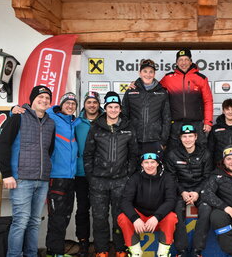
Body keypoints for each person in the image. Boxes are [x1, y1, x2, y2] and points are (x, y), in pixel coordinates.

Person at [11, 91, 81, 257]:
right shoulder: (51, 117)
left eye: (73, 104)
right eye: (67, 103)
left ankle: (57, 251)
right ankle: (54, 252)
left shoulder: (75, 122)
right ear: (60, 105)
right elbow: (32, 112)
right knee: (56, 217)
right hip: (55, 176)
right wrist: (13, 109)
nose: (70, 106)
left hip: (71, 177)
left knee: (65, 216)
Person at [0, 85, 55, 257]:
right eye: (40, 97)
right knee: (20, 222)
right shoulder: (19, 117)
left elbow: (49, 150)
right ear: (32, 99)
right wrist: (7, 174)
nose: (44, 101)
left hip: (42, 180)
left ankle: (31, 254)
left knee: (34, 222)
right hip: (21, 179)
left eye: (47, 98)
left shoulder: (50, 122)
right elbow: (2, 145)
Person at [84, 91, 138, 257]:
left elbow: (134, 155)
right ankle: (101, 250)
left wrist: (128, 175)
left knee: (119, 217)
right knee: (99, 218)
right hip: (98, 182)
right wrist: (91, 177)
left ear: (120, 109)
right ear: (105, 108)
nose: (113, 110)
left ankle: (121, 248)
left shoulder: (128, 128)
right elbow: (88, 154)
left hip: (120, 181)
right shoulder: (95, 127)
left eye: (116, 107)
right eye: (110, 107)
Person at [164, 124, 213, 257]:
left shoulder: (205, 153)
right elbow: (171, 178)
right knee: (176, 209)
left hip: (200, 190)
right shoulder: (172, 154)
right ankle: (182, 250)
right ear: (180, 138)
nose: (188, 139)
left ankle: (197, 250)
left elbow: (208, 177)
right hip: (180, 190)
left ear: (196, 137)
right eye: (184, 136)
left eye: (190, 136)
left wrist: (197, 192)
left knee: (206, 209)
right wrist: (182, 192)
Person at [117, 149, 177, 257]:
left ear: (157, 163)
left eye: (152, 162)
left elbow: (171, 200)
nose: (150, 165)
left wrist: (156, 217)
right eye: (146, 162)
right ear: (142, 164)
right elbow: (125, 201)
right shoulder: (135, 178)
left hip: (158, 218)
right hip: (140, 218)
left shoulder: (167, 178)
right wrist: (135, 218)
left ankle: (163, 253)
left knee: (171, 217)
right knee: (123, 218)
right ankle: (135, 252)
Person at [160, 49, 213, 148]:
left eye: (186, 59)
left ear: (191, 61)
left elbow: (208, 101)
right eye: (180, 60)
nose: (183, 63)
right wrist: (136, 84)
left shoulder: (201, 78)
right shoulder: (168, 78)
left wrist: (208, 121)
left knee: (200, 150)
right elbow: (153, 88)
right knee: (174, 152)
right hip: (175, 123)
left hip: (196, 123)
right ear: (176, 62)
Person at [75, 91, 103, 257]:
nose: (92, 105)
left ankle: (103, 245)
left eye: (94, 102)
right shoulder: (76, 122)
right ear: (84, 104)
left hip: (102, 174)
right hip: (81, 173)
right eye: (89, 102)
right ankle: (83, 244)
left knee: (101, 212)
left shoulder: (106, 120)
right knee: (83, 210)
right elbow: (53, 114)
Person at [122, 59, 171, 154]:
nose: (148, 75)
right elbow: (124, 116)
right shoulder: (130, 91)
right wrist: (126, 137)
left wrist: (163, 141)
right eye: (145, 71)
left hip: (155, 141)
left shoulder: (162, 92)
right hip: (134, 140)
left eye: (151, 72)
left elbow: (167, 118)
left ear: (154, 74)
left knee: (154, 168)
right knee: (134, 168)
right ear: (139, 73)